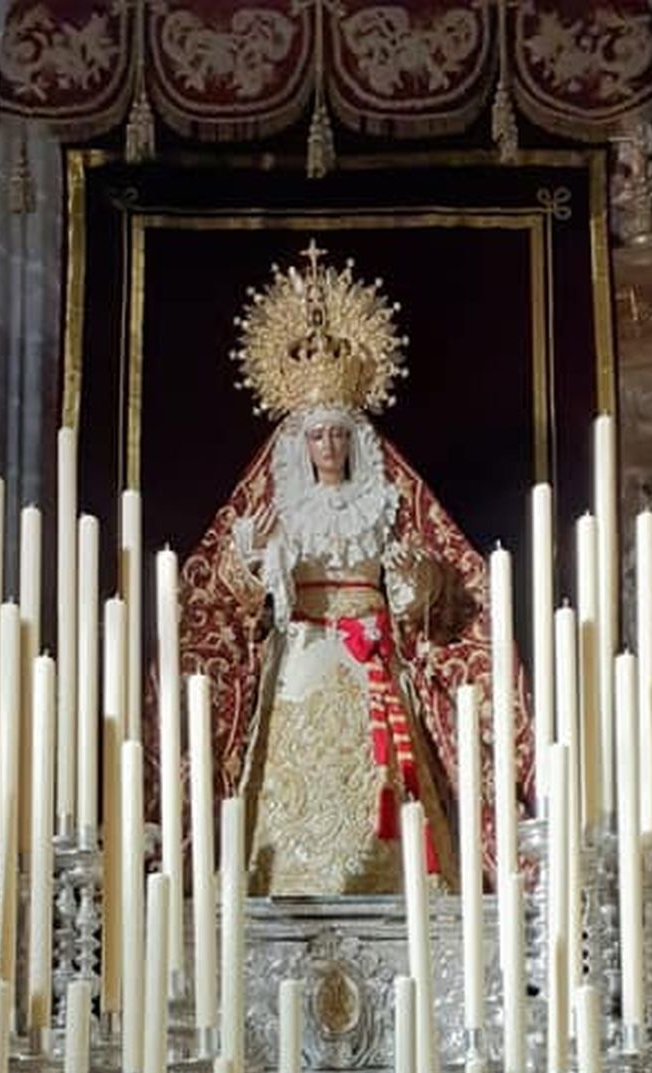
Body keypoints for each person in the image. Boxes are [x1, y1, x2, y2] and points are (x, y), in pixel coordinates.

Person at [179, 246, 523, 896]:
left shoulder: (384, 507)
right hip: (304, 655)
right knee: (295, 776)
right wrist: (258, 565)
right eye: (317, 436)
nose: (329, 447)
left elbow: (427, 592)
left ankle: (397, 890)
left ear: (354, 441)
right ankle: (287, 885)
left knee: (385, 769)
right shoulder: (282, 512)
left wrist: (415, 579)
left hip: (372, 660)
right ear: (300, 446)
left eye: (338, 435)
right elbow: (235, 599)